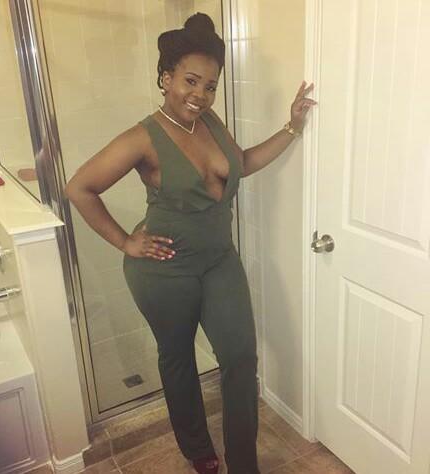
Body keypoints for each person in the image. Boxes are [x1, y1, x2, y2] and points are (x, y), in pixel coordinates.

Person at [65, 12, 316, 474]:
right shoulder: (142, 137)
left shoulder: (211, 121)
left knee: (240, 357)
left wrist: (292, 127)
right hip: (164, 269)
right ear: (166, 78)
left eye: (210, 85)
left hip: (219, 260)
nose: (200, 94)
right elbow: (79, 187)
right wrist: (126, 242)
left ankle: (244, 464)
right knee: (178, 359)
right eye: (190, 81)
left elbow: (243, 163)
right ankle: (199, 451)